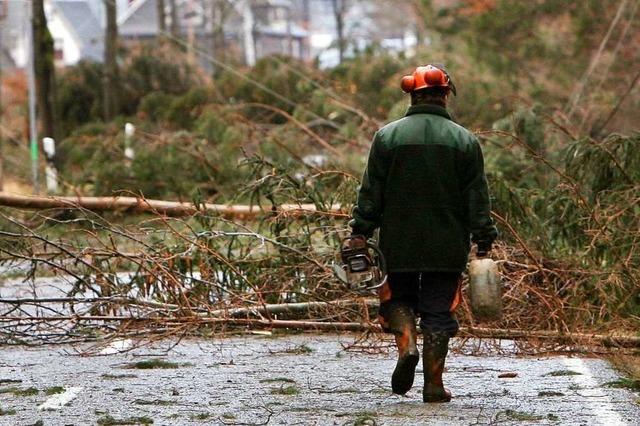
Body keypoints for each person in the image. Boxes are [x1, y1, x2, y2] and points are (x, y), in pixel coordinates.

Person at [349, 64, 498, 403]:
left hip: (398, 241)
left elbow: (371, 192)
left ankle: (407, 347)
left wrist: (360, 231)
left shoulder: (387, 137)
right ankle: (433, 385)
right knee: (438, 312)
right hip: (446, 243)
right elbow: (477, 196)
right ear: (445, 95)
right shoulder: (465, 141)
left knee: (397, 299)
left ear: (412, 96)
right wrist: (483, 237)